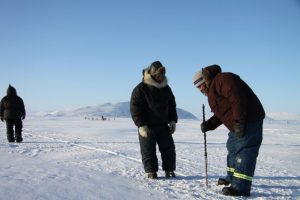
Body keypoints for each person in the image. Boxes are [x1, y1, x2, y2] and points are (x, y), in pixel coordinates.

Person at [193, 65, 265, 196]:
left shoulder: (222, 79)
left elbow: (237, 98)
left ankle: (240, 187)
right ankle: (231, 178)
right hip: (237, 123)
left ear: (204, 81)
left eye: (200, 86)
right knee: (232, 148)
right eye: (197, 88)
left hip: (249, 120)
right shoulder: (212, 91)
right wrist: (209, 124)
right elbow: (223, 113)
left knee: (245, 151)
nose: (199, 90)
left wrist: (239, 122)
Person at [130, 61, 178, 179]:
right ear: (152, 74)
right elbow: (135, 108)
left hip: (163, 125)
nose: (160, 77)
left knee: (169, 149)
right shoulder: (141, 89)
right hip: (147, 126)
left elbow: (172, 105)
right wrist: (141, 125)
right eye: (158, 75)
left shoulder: (166, 88)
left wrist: (172, 120)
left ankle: (169, 169)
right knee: (148, 150)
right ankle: (151, 171)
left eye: (162, 75)